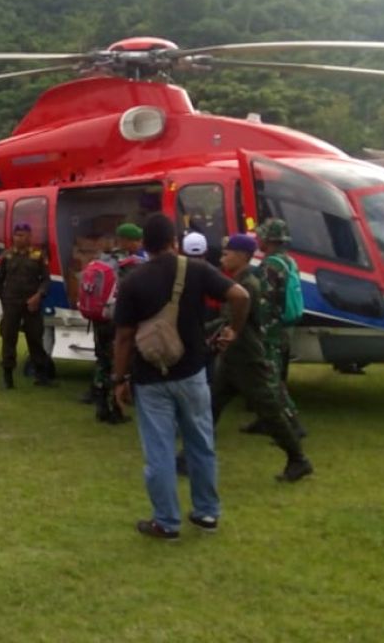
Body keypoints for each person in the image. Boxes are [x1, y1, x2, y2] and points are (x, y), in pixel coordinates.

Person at [112, 214, 249, 540]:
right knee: (200, 444)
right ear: (174, 241)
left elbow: (123, 337)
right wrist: (234, 330)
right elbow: (241, 296)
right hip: (192, 371)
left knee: (158, 450)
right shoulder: (197, 270)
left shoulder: (134, 280)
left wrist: (119, 379)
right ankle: (206, 513)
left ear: (144, 244)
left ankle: (166, 522)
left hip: (150, 377)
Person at [210, 235, 313, 482]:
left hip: (248, 358)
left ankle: (298, 460)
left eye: (228, 253)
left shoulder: (250, 284)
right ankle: (188, 458)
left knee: (270, 411)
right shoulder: (239, 281)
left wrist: (219, 330)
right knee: (208, 407)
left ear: (243, 256)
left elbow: (242, 323)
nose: (223, 256)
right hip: (233, 357)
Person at [245, 219, 307, 438]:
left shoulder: (270, 265)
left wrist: (255, 325)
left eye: (261, 236)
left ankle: (293, 424)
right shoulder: (289, 262)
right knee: (268, 376)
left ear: (269, 240)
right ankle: (265, 419)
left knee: (271, 380)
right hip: (284, 325)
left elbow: (265, 301)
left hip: (270, 329)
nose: (258, 240)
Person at [86, 223, 147, 424]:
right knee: (118, 364)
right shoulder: (132, 263)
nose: (140, 244)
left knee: (102, 362)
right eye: (137, 240)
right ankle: (115, 409)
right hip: (118, 321)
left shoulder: (103, 259)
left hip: (99, 318)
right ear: (127, 241)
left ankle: (101, 406)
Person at [0, 222, 55, 388]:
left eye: (22, 235)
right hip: (11, 302)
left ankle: (41, 375)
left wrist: (39, 296)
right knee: (9, 338)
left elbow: (46, 280)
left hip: (31, 303)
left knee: (35, 338)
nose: (18, 238)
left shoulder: (38, 256)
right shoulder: (6, 256)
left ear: (30, 236)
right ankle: (7, 376)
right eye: (16, 235)